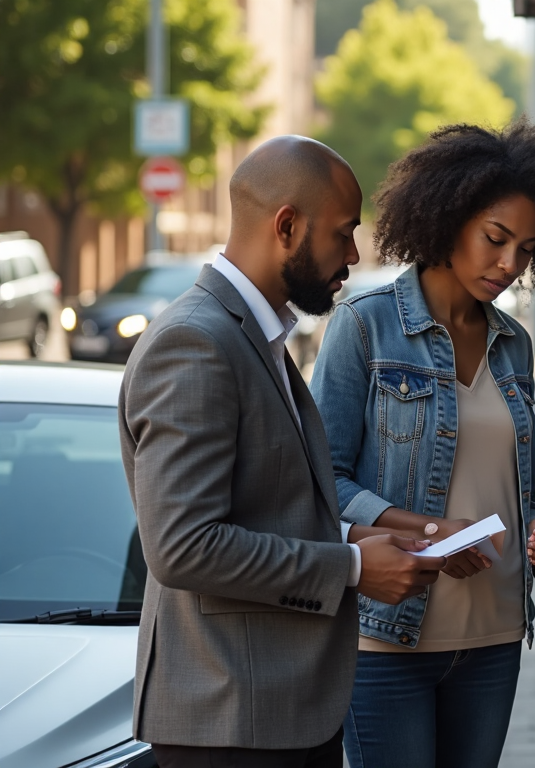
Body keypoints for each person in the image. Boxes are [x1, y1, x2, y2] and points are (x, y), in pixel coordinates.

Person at [118, 136, 448, 768]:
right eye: (344, 233)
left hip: (278, 713)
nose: (354, 254)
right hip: (230, 722)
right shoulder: (194, 342)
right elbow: (184, 546)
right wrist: (351, 567)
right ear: (288, 225)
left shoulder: (254, 335)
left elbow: (270, 504)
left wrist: (363, 540)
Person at [310, 122, 535, 768]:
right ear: (446, 219)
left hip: (495, 634)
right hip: (388, 639)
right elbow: (321, 481)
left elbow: (508, 487)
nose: (509, 264)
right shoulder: (365, 326)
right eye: (495, 239)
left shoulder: (515, 345)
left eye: (526, 249)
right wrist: (432, 530)